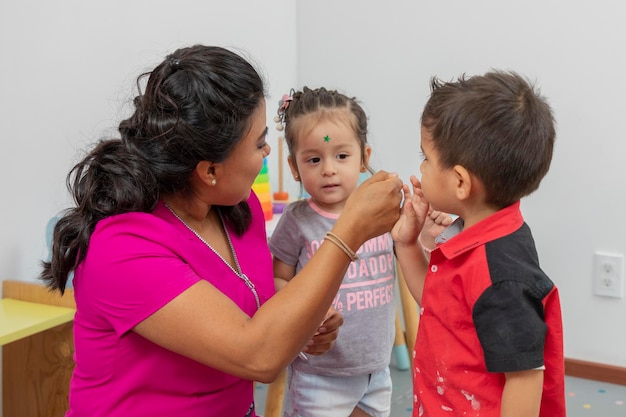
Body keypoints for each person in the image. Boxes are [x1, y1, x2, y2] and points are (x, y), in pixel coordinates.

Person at [40, 45, 403, 417]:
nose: (266, 154)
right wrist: (349, 230)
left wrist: (302, 328)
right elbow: (258, 355)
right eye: (259, 142)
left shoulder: (237, 210)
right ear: (209, 170)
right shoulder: (122, 249)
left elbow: (256, 316)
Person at [392, 71, 565, 417]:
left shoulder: (501, 275)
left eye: (425, 157)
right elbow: (438, 303)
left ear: (460, 182)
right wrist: (407, 244)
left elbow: (525, 377)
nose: (421, 168)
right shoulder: (476, 236)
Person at [269, 87, 398, 417]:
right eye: (314, 159)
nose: (328, 169)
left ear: (364, 157)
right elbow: (277, 279)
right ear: (294, 166)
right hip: (319, 374)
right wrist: (306, 315)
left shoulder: (382, 212)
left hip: (375, 368)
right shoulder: (297, 222)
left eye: (341, 156)